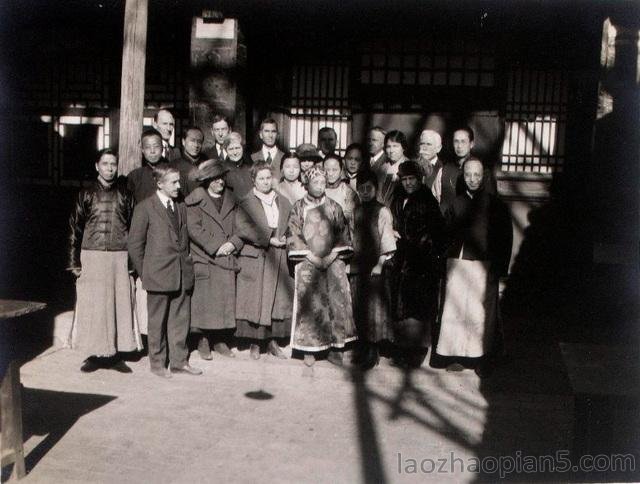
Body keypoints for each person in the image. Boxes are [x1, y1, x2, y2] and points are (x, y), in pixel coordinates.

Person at [435, 158, 512, 378]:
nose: (472, 179)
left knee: (481, 313)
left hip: (484, 264)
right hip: (458, 263)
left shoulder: (496, 205)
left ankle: (481, 357)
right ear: (463, 176)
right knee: (457, 310)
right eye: (468, 175)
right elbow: (445, 235)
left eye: (477, 175)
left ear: (484, 176)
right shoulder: (455, 203)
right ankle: (457, 355)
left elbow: (505, 239)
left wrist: (500, 267)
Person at [69, 149, 142, 373]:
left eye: (113, 164)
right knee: (94, 305)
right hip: (92, 255)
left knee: (120, 304)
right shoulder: (86, 193)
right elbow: (75, 228)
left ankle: (115, 354)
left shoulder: (126, 194)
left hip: (119, 256)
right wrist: (74, 261)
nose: (109, 168)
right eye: (105, 163)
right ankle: (94, 354)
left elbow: (133, 229)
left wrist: (131, 262)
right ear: (97, 166)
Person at [128, 162, 202, 378]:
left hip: (181, 273)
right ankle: (158, 363)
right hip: (157, 275)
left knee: (180, 321)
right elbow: (135, 245)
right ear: (159, 184)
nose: (179, 186)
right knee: (157, 321)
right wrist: (145, 273)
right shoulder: (144, 208)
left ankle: (179, 362)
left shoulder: (180, 206)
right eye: (174, 182)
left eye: (179, 181)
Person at [287, 167, 356, 367]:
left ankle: (336, 346)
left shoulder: (334, 207)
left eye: (323, 182)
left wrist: (331, 257)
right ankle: (309, 348)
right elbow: (293, 235)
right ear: (307, 184)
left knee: (336, 300)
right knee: (311, 302)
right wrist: (313, 258)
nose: (320, 186)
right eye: (315, 182)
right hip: (308, 260)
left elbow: (344, 235)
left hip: (333, 260)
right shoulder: (298, 207)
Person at [389, 161, 446, 368]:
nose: (408, 183)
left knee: (419, 307)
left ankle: (418, 351)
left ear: (419, 179)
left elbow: (433, 232)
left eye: (411, 179)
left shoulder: (426, 200)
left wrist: (407, 240)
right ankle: (405, 349)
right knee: (404, 306)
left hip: (421, 262)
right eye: (404, 180)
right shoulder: (399, 199)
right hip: (403, 259)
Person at [235, 162, 294, 360]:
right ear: (253, 180)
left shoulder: (283, 201)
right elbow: (243, 227)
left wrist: (287, 237)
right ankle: (255, 342)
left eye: (268, 178)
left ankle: (272, 342)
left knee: (276, 300)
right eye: (261, 178)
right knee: (256, 300)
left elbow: (292, 224)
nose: (266, 182)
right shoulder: (245, 202)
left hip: (278, 256)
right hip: (257, 256)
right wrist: (268, 238)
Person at [186, 159, 243, 360]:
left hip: (226, 256)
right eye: (215, 179)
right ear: (206, 180)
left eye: (222, 178)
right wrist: (216, 247)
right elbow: (194, 229)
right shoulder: (195, 200)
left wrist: (233, 244)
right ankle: (202, 340)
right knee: (204, 302)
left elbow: (242, 227)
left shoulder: (233, 199)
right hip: (206, 257)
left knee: (223, 302)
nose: (220, 182)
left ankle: (220, 339)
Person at [350, 170, 396, 370]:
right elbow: (351, 238)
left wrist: (380, 264)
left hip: (376, 266)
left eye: (369, 188)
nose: (365, 192)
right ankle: (363, 345)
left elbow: (387, 240)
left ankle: (373, 350)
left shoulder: (382, 211)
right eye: (362, 188)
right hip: (358, 265)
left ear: (376, 189)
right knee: (360, 308)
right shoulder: (356, 211)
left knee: (374, 310)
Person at [323, 154, 359, 233]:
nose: (330, 173)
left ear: (341, 170)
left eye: (334, 170)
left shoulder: (348, 192)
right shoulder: (318, 190)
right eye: (327, 170)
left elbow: (350, 218)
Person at [378, 130, 410, 206]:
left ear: (403, 147)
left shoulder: (410, 168)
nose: (391, 151)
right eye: (388, 147)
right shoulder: (382, 168)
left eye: (395, 146)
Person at [173, 126, 206, 196]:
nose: (196, 145)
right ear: (183, 141)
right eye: (192, 141)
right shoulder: (173, 166)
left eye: (199, 142)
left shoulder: (207, 164)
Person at [250, 118, 284, 184]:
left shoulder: (285, 158)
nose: (270, 135)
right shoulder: (252, 158)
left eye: (273, 131)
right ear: (260, 135)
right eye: (266, 131)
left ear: (277, 135)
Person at [222, 131, 254, 201]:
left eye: (237, 148)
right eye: (231, 149)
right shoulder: (222, 171)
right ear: (226, 150)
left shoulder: (251, 168)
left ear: (243, 148)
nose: (235, 153)